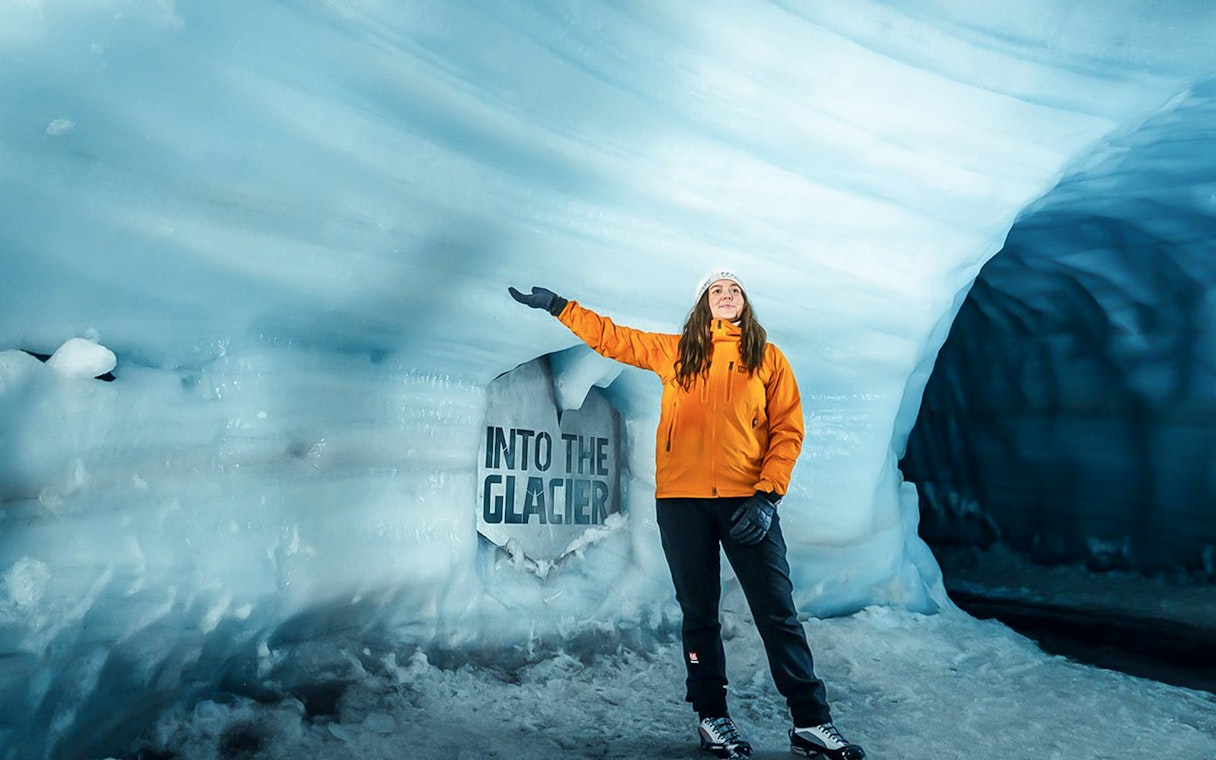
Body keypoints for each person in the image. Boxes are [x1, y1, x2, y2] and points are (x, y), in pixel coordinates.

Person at [509, 270, 865, 760]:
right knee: (699, 616)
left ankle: (812, 722)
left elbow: (788, 429)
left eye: (733, 289)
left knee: (778, 613)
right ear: (703, 304)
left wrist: (768, 496)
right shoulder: (677, 351)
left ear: (744, 303)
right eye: (716, 290)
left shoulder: (767, 359)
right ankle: (711, 717)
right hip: (683, 504)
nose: (726, 295)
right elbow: (615, 340)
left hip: (748, 502)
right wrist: (559, 305)